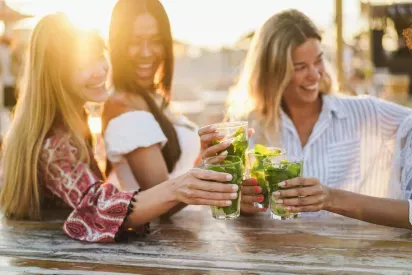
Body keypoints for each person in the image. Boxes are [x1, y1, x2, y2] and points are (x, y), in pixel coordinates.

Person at [0, 13, 240, 243]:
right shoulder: (54, 142)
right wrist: (178, 186)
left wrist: (201, 169)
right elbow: (97, 209)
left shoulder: (74, 120)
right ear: (55, 75)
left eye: (99, 56)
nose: (100, 70)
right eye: (83, 64)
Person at [199, 9, 412, 216]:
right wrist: (244, 206)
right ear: (273, 73)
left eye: (318, 61)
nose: (315, 75)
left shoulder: (366, 113)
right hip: (277, 251)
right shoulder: (249, 128)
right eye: (300, 67)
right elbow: (237, 212)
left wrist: (333, 198)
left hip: (351, 250)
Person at [102, 0, 201, 196]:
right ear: (117, 45)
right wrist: (207, 166)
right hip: (161, 227)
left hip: (192, 224)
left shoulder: (152, 97)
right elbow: (161, 200)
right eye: (133, 42)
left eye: (156, 41)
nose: (146, 53)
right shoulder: (124, 106)